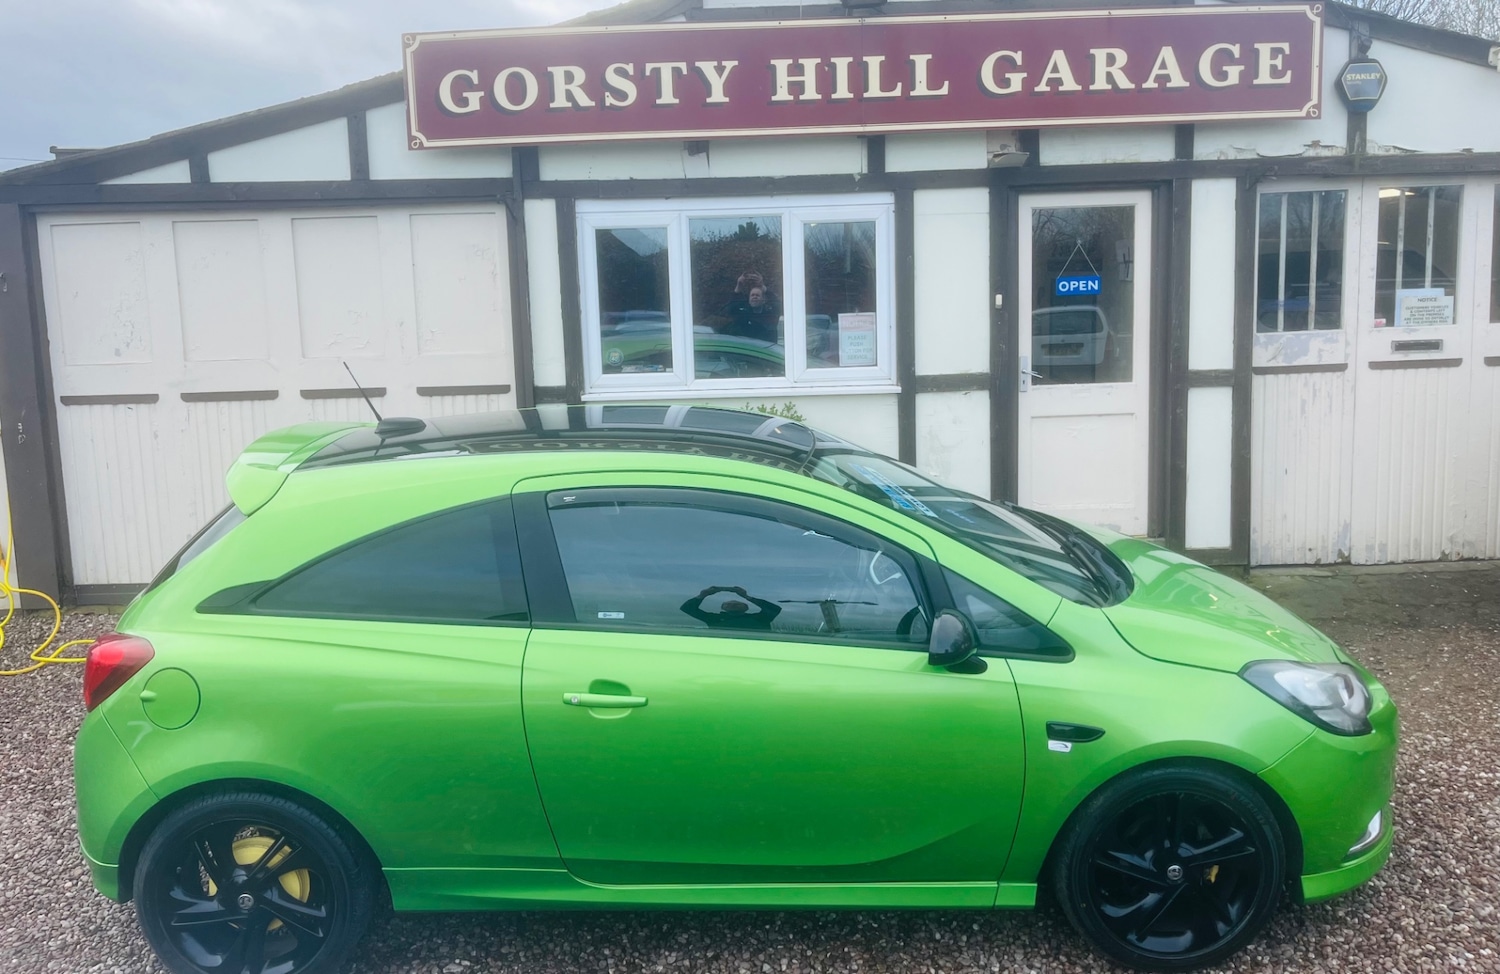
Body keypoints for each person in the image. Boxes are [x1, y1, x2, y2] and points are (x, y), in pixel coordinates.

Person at [680, 584, 782, 631]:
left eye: (737, 604)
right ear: (723, 608)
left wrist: (747, 596)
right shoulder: (713, 618)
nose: (732, 605)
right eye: (728, 604)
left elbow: (774, 609)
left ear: (746, 608)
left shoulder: (760, 618)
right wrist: (702, 595)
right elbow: (687, 609)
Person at [719, 270, 781, 343]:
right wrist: (738, 287)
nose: (754, 297)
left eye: (757, 295)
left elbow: (778, 306)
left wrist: (764, 288)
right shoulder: (744, 315)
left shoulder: (769, 315)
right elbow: (730, 309)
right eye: (752, 295)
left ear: (763, 300)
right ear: (749, 300)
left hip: (765, 349)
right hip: (747, 348)